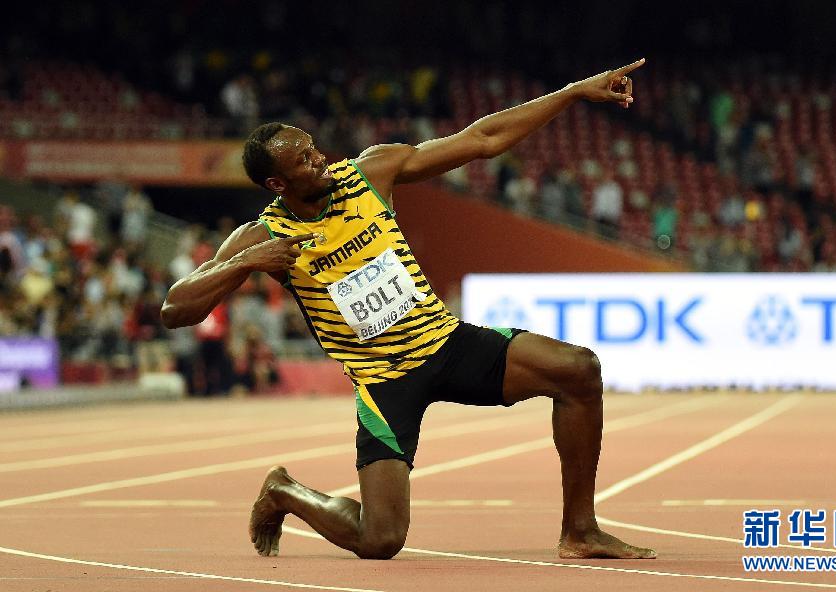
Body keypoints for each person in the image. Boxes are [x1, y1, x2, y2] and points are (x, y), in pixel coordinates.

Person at [161, 58, 655, 561]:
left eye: (314, 148)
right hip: (384, 381)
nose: (321, 159)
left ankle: (580, 530)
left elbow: (483, 139)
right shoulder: (263, 235)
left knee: (578, 369)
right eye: (305, 161)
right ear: (277, 185)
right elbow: (175, 309)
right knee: (380, 539)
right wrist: (246, 261)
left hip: (445, 343)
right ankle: (286, 492)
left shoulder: (370, 173)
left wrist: (572, 91)